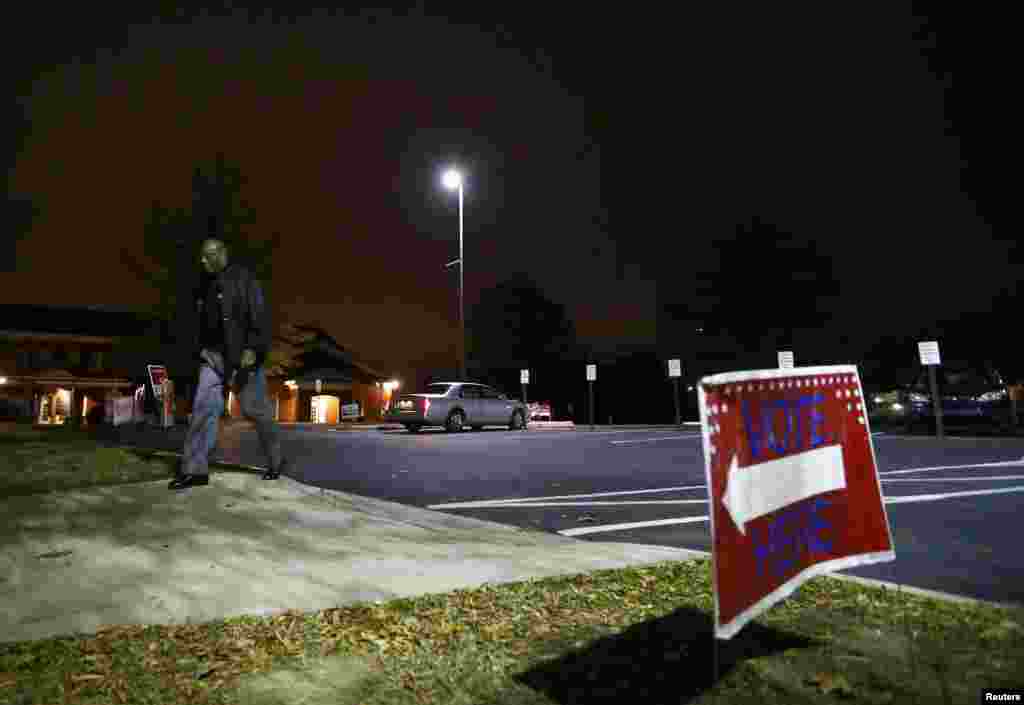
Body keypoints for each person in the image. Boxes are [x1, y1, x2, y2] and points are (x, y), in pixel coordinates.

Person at [169, 238, 289, 489]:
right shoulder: (202, 284)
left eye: (207, 255)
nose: (202, 260)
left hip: (241, 359)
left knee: (256, 411)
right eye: (201, 256)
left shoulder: (244, 280)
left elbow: (260, 317)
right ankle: (195, 470)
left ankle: (276, 460)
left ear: (222, 254)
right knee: (202, 410)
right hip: (211, 357)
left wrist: (253, 349)